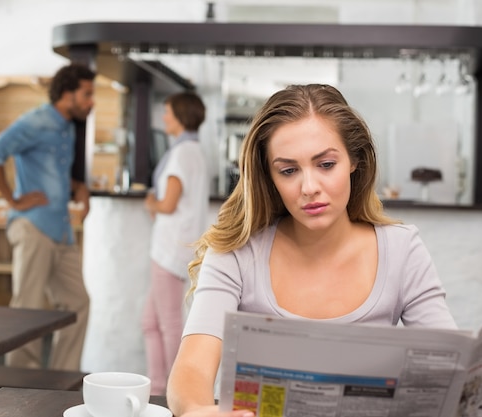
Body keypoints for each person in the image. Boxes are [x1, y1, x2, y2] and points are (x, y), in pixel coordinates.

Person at [166, 84, 457, 417]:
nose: (309, 188)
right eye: (288, 171)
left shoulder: (402, 250)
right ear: (269, 177)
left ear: (354, 160)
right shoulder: (236, 253)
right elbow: (191, 370)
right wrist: (196, 410)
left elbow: (447, 371)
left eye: (326, 164)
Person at [0, 63, 95, 371]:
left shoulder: (68, 127)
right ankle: (19, 387)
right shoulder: (34, 121)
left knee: (78, 303)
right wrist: (12, 199)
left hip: (61, 231)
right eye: (87, 94)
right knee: (27, 310)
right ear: (67, 94)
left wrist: (78, 187)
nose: (91, 101)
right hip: (32, 226)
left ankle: (61, 380)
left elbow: (53, 174)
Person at [142, 91, 210, 395]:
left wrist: (151, 203)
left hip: (168, 250)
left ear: (181, 115)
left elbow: (168, 204)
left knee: (168, 323)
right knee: (149, 321)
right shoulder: (195, 151)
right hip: (178, 248)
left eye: (167, 111)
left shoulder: (181, 154)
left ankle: (173, 393)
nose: (164, 117)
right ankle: (158, 386)